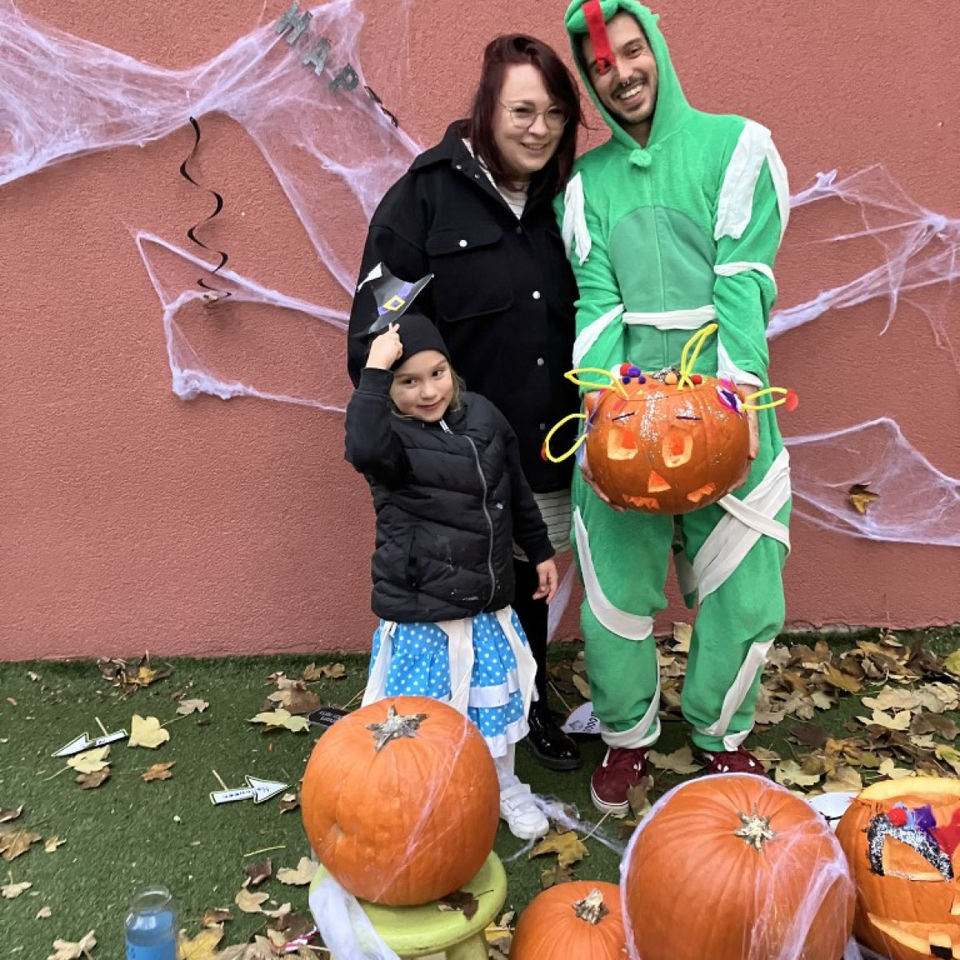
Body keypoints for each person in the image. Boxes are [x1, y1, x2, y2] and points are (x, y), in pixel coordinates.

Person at [556, 0, 792, 815]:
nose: (621, 74)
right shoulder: (586, 184)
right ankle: (628, 735)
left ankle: (721, 734)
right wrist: (600, 402)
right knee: (614, 588)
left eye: (631, 51)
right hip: (624, 411)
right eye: (602, 66)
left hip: (727, 397)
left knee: (746, 585)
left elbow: (744, 281)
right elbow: (596, 298)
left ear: (655, 45)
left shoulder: (736, 148)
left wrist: (741, 397)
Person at [347, 35, 584, 772]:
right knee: (467, 594)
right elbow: (376, 336)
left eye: (555, 114)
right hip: (454, 461)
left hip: (550, 443)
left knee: (530, 583)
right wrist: (423, 440)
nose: (540, 129)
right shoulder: (421, 201)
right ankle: (443, 721)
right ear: (487, 108)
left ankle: (527, 700)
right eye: (523, 111)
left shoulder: (570, 200)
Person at [345, 307, 559, 840]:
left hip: (486, 602)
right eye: (407, 381)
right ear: (388, 388)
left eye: (436, 373)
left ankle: (501, 783)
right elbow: (361, 446)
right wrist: (374, 370)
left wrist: (539, 550)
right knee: (424, 713)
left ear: (451, 368)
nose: (427, 391)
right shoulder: (389, 441)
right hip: (424, 611)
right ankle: (422, 790)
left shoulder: (484, 415)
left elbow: (516, 490)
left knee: (493, 700)